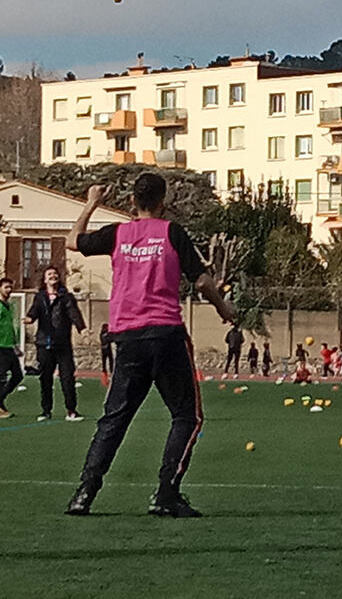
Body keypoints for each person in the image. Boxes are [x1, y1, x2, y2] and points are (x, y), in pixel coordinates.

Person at [65, 174, 235, 518]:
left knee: (114, 419)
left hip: (126, 337)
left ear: (131, 202)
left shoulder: (118, 233)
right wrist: (223, 308)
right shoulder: (172, 232)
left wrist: (92, 201)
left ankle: (84, 493)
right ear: (164, 201)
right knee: (187, 416)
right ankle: (166, 493)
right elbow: (201, 281)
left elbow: (72, 241)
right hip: (165, 334)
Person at [25, 266, 86, 422]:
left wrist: (82, 329)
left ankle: (71, 411)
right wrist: (29, 318)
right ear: (45, 279)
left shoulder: (66, 297)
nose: (53, 276)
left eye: (55, 274)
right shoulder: (40, 297)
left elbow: (74, 313)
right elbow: (34, 311)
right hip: (44, 344)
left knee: (67, 378)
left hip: (63, 344)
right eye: (49, 274)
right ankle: (46, 411)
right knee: (45, 379)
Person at [0, 277, 23, 418]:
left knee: (18, 375)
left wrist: (15, 345)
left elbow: (10, 326)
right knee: (1, 376)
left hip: (8, 346)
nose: (9, 290)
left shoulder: (9, 305)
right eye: (6, 287)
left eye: (10, 287)